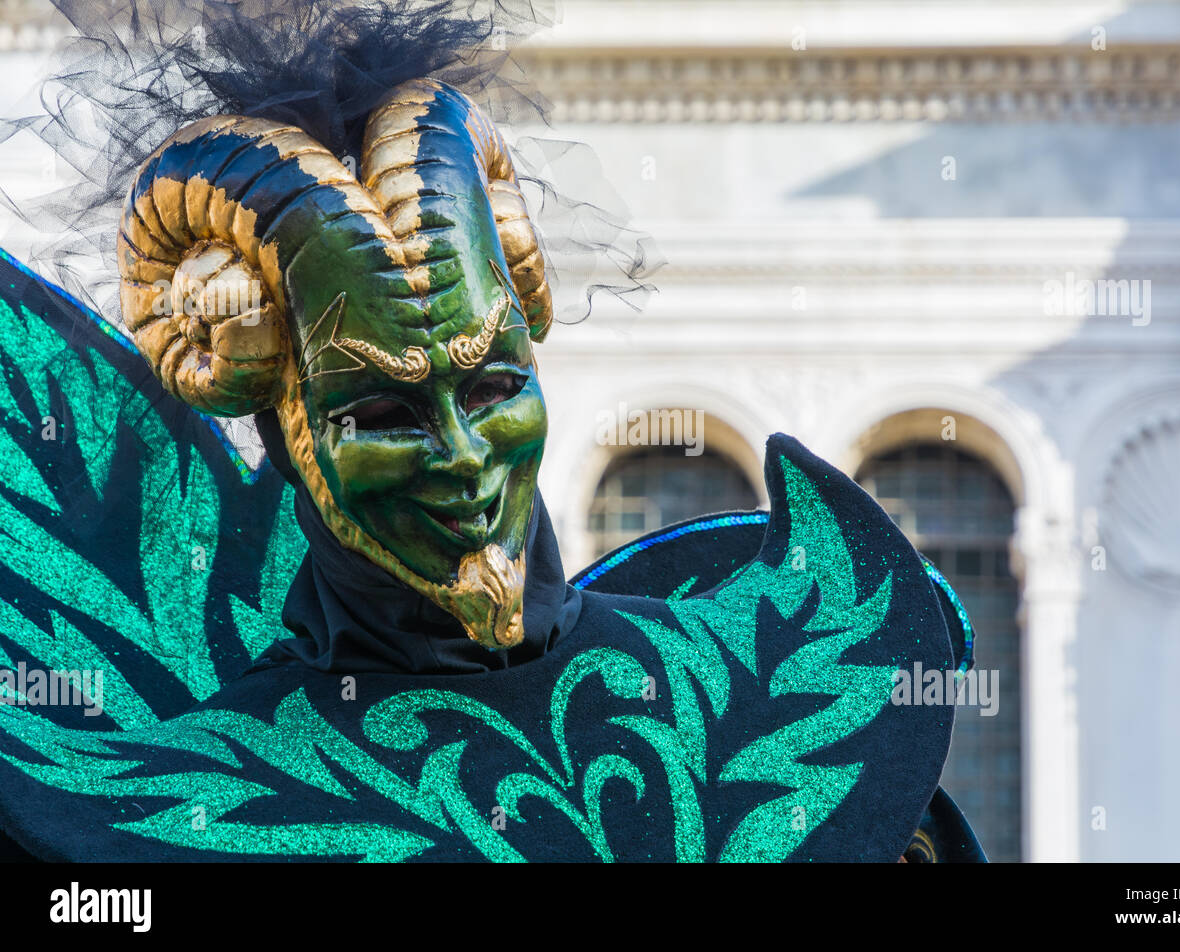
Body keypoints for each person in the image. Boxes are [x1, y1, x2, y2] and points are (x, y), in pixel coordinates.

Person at [0, 1, 983, 862]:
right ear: (292, 434)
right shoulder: (197, 809)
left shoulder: (782, 721)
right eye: (382, 414)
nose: (464, 456)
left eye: (491, 388)